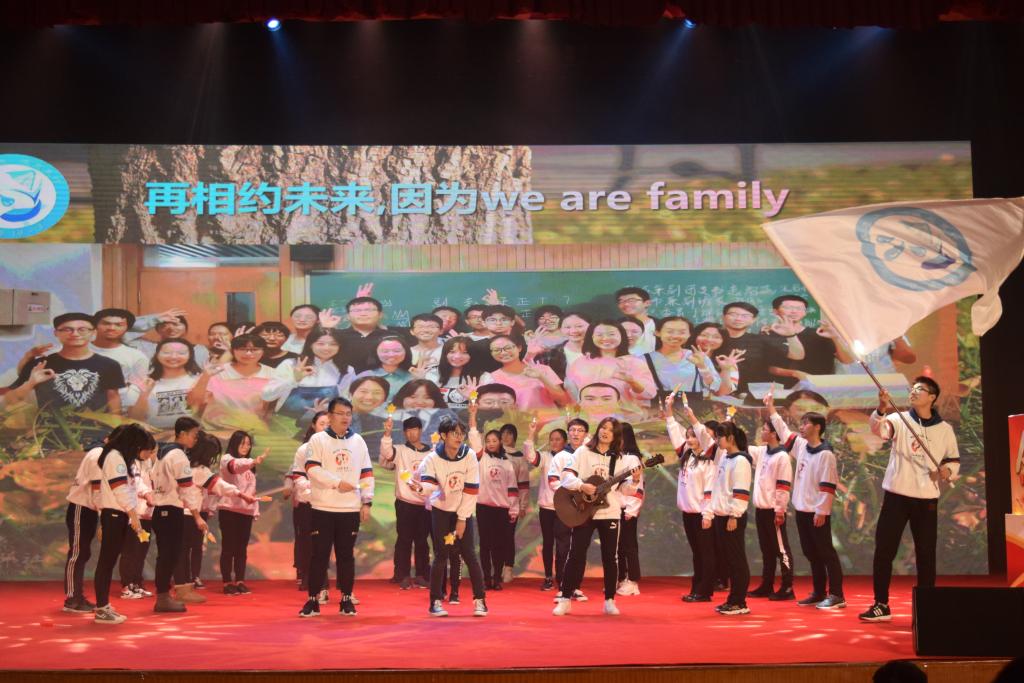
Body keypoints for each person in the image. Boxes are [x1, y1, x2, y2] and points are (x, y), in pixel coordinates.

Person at [861, 378, 960, 623]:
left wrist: (947, 471)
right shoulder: (898, 419)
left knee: (925, 554)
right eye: (912, 389)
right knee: (884, 550)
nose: (913, 393)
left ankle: (926, 609)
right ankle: (881, 604)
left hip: (926, 499)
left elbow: (953, 460)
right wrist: (882, 408)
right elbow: (879, 430)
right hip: (896, 495)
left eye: (920, 390)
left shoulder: (944, 429)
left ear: (932, 397)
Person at [553, 417, 641, 616]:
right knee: (576, 554)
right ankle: (565, 598)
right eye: (603, 427)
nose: (605, 432)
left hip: (609, 512)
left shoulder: (620, 459)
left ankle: (609, 600)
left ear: (616, 435)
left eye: (610, 429)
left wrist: (634, 481)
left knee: (610, 557)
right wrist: (581, 486)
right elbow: (566, 477)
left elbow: (624, 490)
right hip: (584, 511)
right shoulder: (583, 452)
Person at [298, 398, 374, 618]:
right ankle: (313, 601)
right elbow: (312, 469)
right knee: (319, 556)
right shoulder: (318, 440)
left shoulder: (358, 441)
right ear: (330, 416)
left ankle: (346, 599)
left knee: (346, 556)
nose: (345, 418)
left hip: (349, 509)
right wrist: (337, 483)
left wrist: (366, 501)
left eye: (348, 414)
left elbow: (367, 473)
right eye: (340, 413)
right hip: (322, 507)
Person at [768, 403, 845, 609]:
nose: (801, 427)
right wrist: (771, 409)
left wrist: (822, 511)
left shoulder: (825, 454)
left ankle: (837, 594)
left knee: (826, 552)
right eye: (801, 423)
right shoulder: (802, 446)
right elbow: (784, 431)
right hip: (802, 510)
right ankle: (819, 592)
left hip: (816, 512)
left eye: (806, 423)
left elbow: (828, 485)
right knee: (811, 552)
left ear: (817, 427)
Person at [413, 417, 489, 618]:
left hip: (463, 510)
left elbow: (471, 491)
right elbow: (428, 485)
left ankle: (480, 600)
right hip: (441, 511)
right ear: (444, 436)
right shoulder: (432, 458)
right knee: (441, 555)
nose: (459, 437)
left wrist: (462, 519)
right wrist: (420, 488)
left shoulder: (469, 455)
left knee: (469, 555)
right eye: (454, 433)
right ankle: (435, 601)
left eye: (461, 433)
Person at [62, 426, 130, 614]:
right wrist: (105, 518)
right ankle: (72, 598)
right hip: (81, 508)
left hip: (90, 509)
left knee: (83, 553)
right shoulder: (98, 454)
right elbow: (97, 490)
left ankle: (77, 595)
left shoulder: (105, 454)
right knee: (78, 553)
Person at [92, 425, 157, 624]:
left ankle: (103, 606)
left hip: (119, 514)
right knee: (106, 562)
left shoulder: (122, 459)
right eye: (142, 447)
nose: (142, 452)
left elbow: (130, 488)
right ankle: (102, 608)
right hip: (114, 514)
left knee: (109, 561)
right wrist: (133, 515)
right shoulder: (114, 457)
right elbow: (120, 489)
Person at [6, 313, 125, 416]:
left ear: (93, 332)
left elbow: (113, 398)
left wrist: (117, 426)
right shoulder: (40, 364)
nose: (75, 334)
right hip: (48, 430)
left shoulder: (110, 364)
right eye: (67, 329)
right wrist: (31, 382)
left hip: (97, 429)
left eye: (82, 329)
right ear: (56, 333)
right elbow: (10, 399)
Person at [150, 417, 208, 613]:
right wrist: (196, 515)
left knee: (166, 556)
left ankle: (163, 596)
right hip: (171, 510)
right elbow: (186, 488)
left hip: (160, 510)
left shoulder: (163, 453)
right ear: (182, 433)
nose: (195, 439)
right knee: (170, 556)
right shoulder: (178, 456)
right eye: (194, 435)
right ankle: (163, 598)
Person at [664, 393, 717, 602]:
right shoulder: (687, 454)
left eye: (693, 436)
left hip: (703, 515)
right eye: (688, 436)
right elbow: (673, 430)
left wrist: (707, 515)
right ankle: (697, 588)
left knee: (706, 553)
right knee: (697, 553)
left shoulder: (710, 460)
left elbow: (710, 490)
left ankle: (705, 591)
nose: (689, 439)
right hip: (688, 513)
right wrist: (668, 409)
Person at [748, 394, 796, 601]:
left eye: (765, 429)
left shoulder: (782, 456)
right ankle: (767, 584)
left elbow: (783, 486)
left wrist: (780, 510)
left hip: (774, 511)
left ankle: (787, 586)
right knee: (767, 550)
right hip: (761, 509)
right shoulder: (762, 452)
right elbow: (742, 448)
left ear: (774, 434)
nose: (762, 432)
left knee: (781, 549)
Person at [705, 420, 753, 616]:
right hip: (721, 515)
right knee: (728, 559)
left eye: (719, 437)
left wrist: (734, 515)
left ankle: (739, 601)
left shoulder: (741, 461)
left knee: (736, 559)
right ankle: (732, 599)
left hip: (732, 517)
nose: (716, 440)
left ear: (731, 438)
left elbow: (741, 491)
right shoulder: (726, 457)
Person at [379, 415, 433, 590]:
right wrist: (387, 433)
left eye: (414, 430)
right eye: (408, 430)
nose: (411, 433)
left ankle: (422, 575)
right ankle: (402, 575)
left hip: (425, 504)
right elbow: (387, 453)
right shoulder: (400, 450)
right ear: (404, 433)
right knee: (404, 539)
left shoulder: (431, 452)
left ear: (420, 431)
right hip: (405, 503)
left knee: (422, 541)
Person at [262, 327, 356, 419]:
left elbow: (346, 401)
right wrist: (294, 379)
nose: (326, 348)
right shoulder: (290, 364)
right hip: (286, 423)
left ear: (340, 346)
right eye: (320, 343)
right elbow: (267, 396)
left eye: (333, 344)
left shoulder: (347, 370)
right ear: (310, 344)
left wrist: (329, 409)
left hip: (326, 422)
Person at [468, 424, 519, 591]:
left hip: (501, 510)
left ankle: (497, 578)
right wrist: (473, 419)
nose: (490, 443)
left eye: (494, 441)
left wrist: (513, 510)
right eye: (488, 441)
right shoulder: (481, 458)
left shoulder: (507, 463)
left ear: (500, 443)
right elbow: (474, 440)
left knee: (499, 545)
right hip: (483, 508)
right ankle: (486, 578)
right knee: (485, 544)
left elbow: (512, 489)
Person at [762, 296, 852, 387]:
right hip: (783, 388)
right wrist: (794, 373)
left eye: (799, 308)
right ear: (775, 311)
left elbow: (847, 360)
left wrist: (836, 338)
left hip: (822, 386)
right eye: (788, 307)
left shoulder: (820, 333)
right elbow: (766, 366)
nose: (794, 311)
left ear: (805, 312)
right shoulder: (768, 334)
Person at [284, 411, 329, 594]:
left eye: (329, 424)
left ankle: (322, 577)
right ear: (313, 426)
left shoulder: (336, 448)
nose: (326, 427)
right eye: (322, 423)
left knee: (324, 542)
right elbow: (296, 475)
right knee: (306, 541)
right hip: (306, 502)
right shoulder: (304, 449)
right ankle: (306, 575)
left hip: (327, 503)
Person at [719, 302, 803, 398]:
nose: (738, 318)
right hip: (715, 391)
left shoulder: (760, 340)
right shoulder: (711, 339)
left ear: (753, 320)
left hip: (749, 395)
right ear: (723, 317)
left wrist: (791, 335)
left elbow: (797, 355)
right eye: (733, 314)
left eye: (745, 316)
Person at [219, 431, 267, 594]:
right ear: (234, 444)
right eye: (242, 443)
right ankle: (227, 582)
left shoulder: (251, 468)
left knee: (241, 548)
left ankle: (240, 580)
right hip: (229, 509)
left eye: (248, 444)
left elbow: (251, 489)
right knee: (228, 547)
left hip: (245, 511)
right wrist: (254, 461)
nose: (246, 447)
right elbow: (235, 467)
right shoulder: (227, 459)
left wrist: (254, 508)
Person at [565, 319, 656, 406]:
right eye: (599, 335)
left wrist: (632, 382)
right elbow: (572, 392)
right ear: (592, 337)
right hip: (589, 415)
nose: (605, 338)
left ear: (622, 336)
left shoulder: (634, 362)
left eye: (611, 334)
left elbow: (649, 394)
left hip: (625, 415)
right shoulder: (580, 363)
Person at [192, 334, 274, 428]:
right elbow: (194, 401)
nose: (248, 353)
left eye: (254, 349)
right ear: (232, 351)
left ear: (263, 351)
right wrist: (205, 377)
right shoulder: (217, 372)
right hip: (217, 428)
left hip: (255, 430)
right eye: (242, 349)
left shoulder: (272, 374)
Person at [523, 422, 569, 591]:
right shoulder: (545, 457)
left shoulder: (571, 457)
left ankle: (562, 577)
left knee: (563, 545)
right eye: (552, 439)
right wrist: (531, 433)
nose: (554, 442)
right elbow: (530, 456)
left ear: (565, 441)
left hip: (565, 508)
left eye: (558, 439)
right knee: (548, 543)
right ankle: (548, 577)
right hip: (547, 508)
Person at [549, 418, 591, 602]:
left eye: (580, 430)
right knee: (563, 547)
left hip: (584, 509)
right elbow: (553, 481)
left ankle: (576, 587)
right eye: (572, 430)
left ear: (586, 434)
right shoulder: (560, 456)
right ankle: (562, 586)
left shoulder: (590, 455)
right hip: (566, 508)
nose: (575, 433)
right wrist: (571, 496)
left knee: (580, 547)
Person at [643, 317, 726, 401]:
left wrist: (702, 367)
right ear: (657, 333)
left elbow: (714, 387)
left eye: (682, 332)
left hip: (692, 406)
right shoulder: (644, 359)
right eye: (670, 331)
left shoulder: (698, 356)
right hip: (656, 406)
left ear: (689, 334)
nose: (675, 336)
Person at [127, 338, 204, 429]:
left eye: (181, 353)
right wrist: (144, 395)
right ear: (157, 355)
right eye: (167, 352)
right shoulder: (142, 383)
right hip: (154, 435)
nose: (173, 357)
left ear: (190, 356)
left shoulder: (199, 382)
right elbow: (134, 419)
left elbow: (205, 415)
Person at [482, 334, 570, 410]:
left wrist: (541, 377)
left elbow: (563, 401)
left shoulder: (543, 369)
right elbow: (482, 405)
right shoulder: (490, 378)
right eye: (497, 350)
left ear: (519, 348)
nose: (503, 353)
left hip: (551, 421)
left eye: (508, 348)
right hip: (515, 423)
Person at [90, 308, 149, 411]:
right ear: (95, 325)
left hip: (118, 410)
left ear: (127, 328)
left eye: (119, 325)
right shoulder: (76, 350)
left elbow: (137, 388)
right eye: (106, 323)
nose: (111, 328)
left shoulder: (136, 356)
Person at [333, 296, 408, 373]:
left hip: (387, 379)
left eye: (369, 310)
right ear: (348, 316)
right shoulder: (337, 337)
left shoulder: (393, 336)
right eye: (357, 310)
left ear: (380, 314)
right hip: (343, 379)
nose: (363, 314)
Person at [498, 422, 531, 583]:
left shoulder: (519, 457)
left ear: (515, 437)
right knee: (494, 537)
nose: (505, 436)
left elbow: (523, 484)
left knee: (508, 536)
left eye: (509, 433)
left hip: (512, 503)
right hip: (494, 502)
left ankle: (508, 568)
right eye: (503, 433)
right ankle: (495, 568)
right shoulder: (493, 453)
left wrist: (522, 505)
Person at [616, 422, 646, 597]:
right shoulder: (615, 456)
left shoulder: (632, 459)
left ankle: (633, 580)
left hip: (627, 509)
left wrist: (631, 510)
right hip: (614, 508)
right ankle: (621, 578)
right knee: (618, 546)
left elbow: (638, 487)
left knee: (629, 545)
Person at [353, 335, 415, 403]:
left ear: (406, 352)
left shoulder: (413, 376)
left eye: (397, 351)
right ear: (376, 353)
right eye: (385, 351)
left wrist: (420, 379)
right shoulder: (365, 375)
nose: (391, 355)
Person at [692, 322, 743, 396]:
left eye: (716, 337)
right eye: (704, 335)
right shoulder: (683, 356)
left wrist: (725, 370)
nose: (709, 339)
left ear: (723, 340)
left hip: (711, 401)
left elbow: (722, 392)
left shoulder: (728, 362)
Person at [534, 312, 590, 380]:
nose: (573, 331)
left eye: (579, 326)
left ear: (591, 327)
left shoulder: (600, 350)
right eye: (567, 327)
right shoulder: (551, 354)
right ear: (561, 329)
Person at [436, 336, 480, 410]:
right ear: (445, 354)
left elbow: (486, 410)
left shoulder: (483, 377)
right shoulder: (433, 373)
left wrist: (472, 398)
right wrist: (419, 379)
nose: (457, 356)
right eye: (452, 352)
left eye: (464, 353)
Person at [615, 287, 657, 354]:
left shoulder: (661, 326)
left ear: (647, 303)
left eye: (631, 300)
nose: (626, 304)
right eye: (621, 301)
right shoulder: (613, 326)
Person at [409, 313, 444, 381]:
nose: (426, 330)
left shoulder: (449, 351)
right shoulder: (405, 353)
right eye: (420, 327)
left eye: (432, 327)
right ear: (412, 331)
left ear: (441, 331)